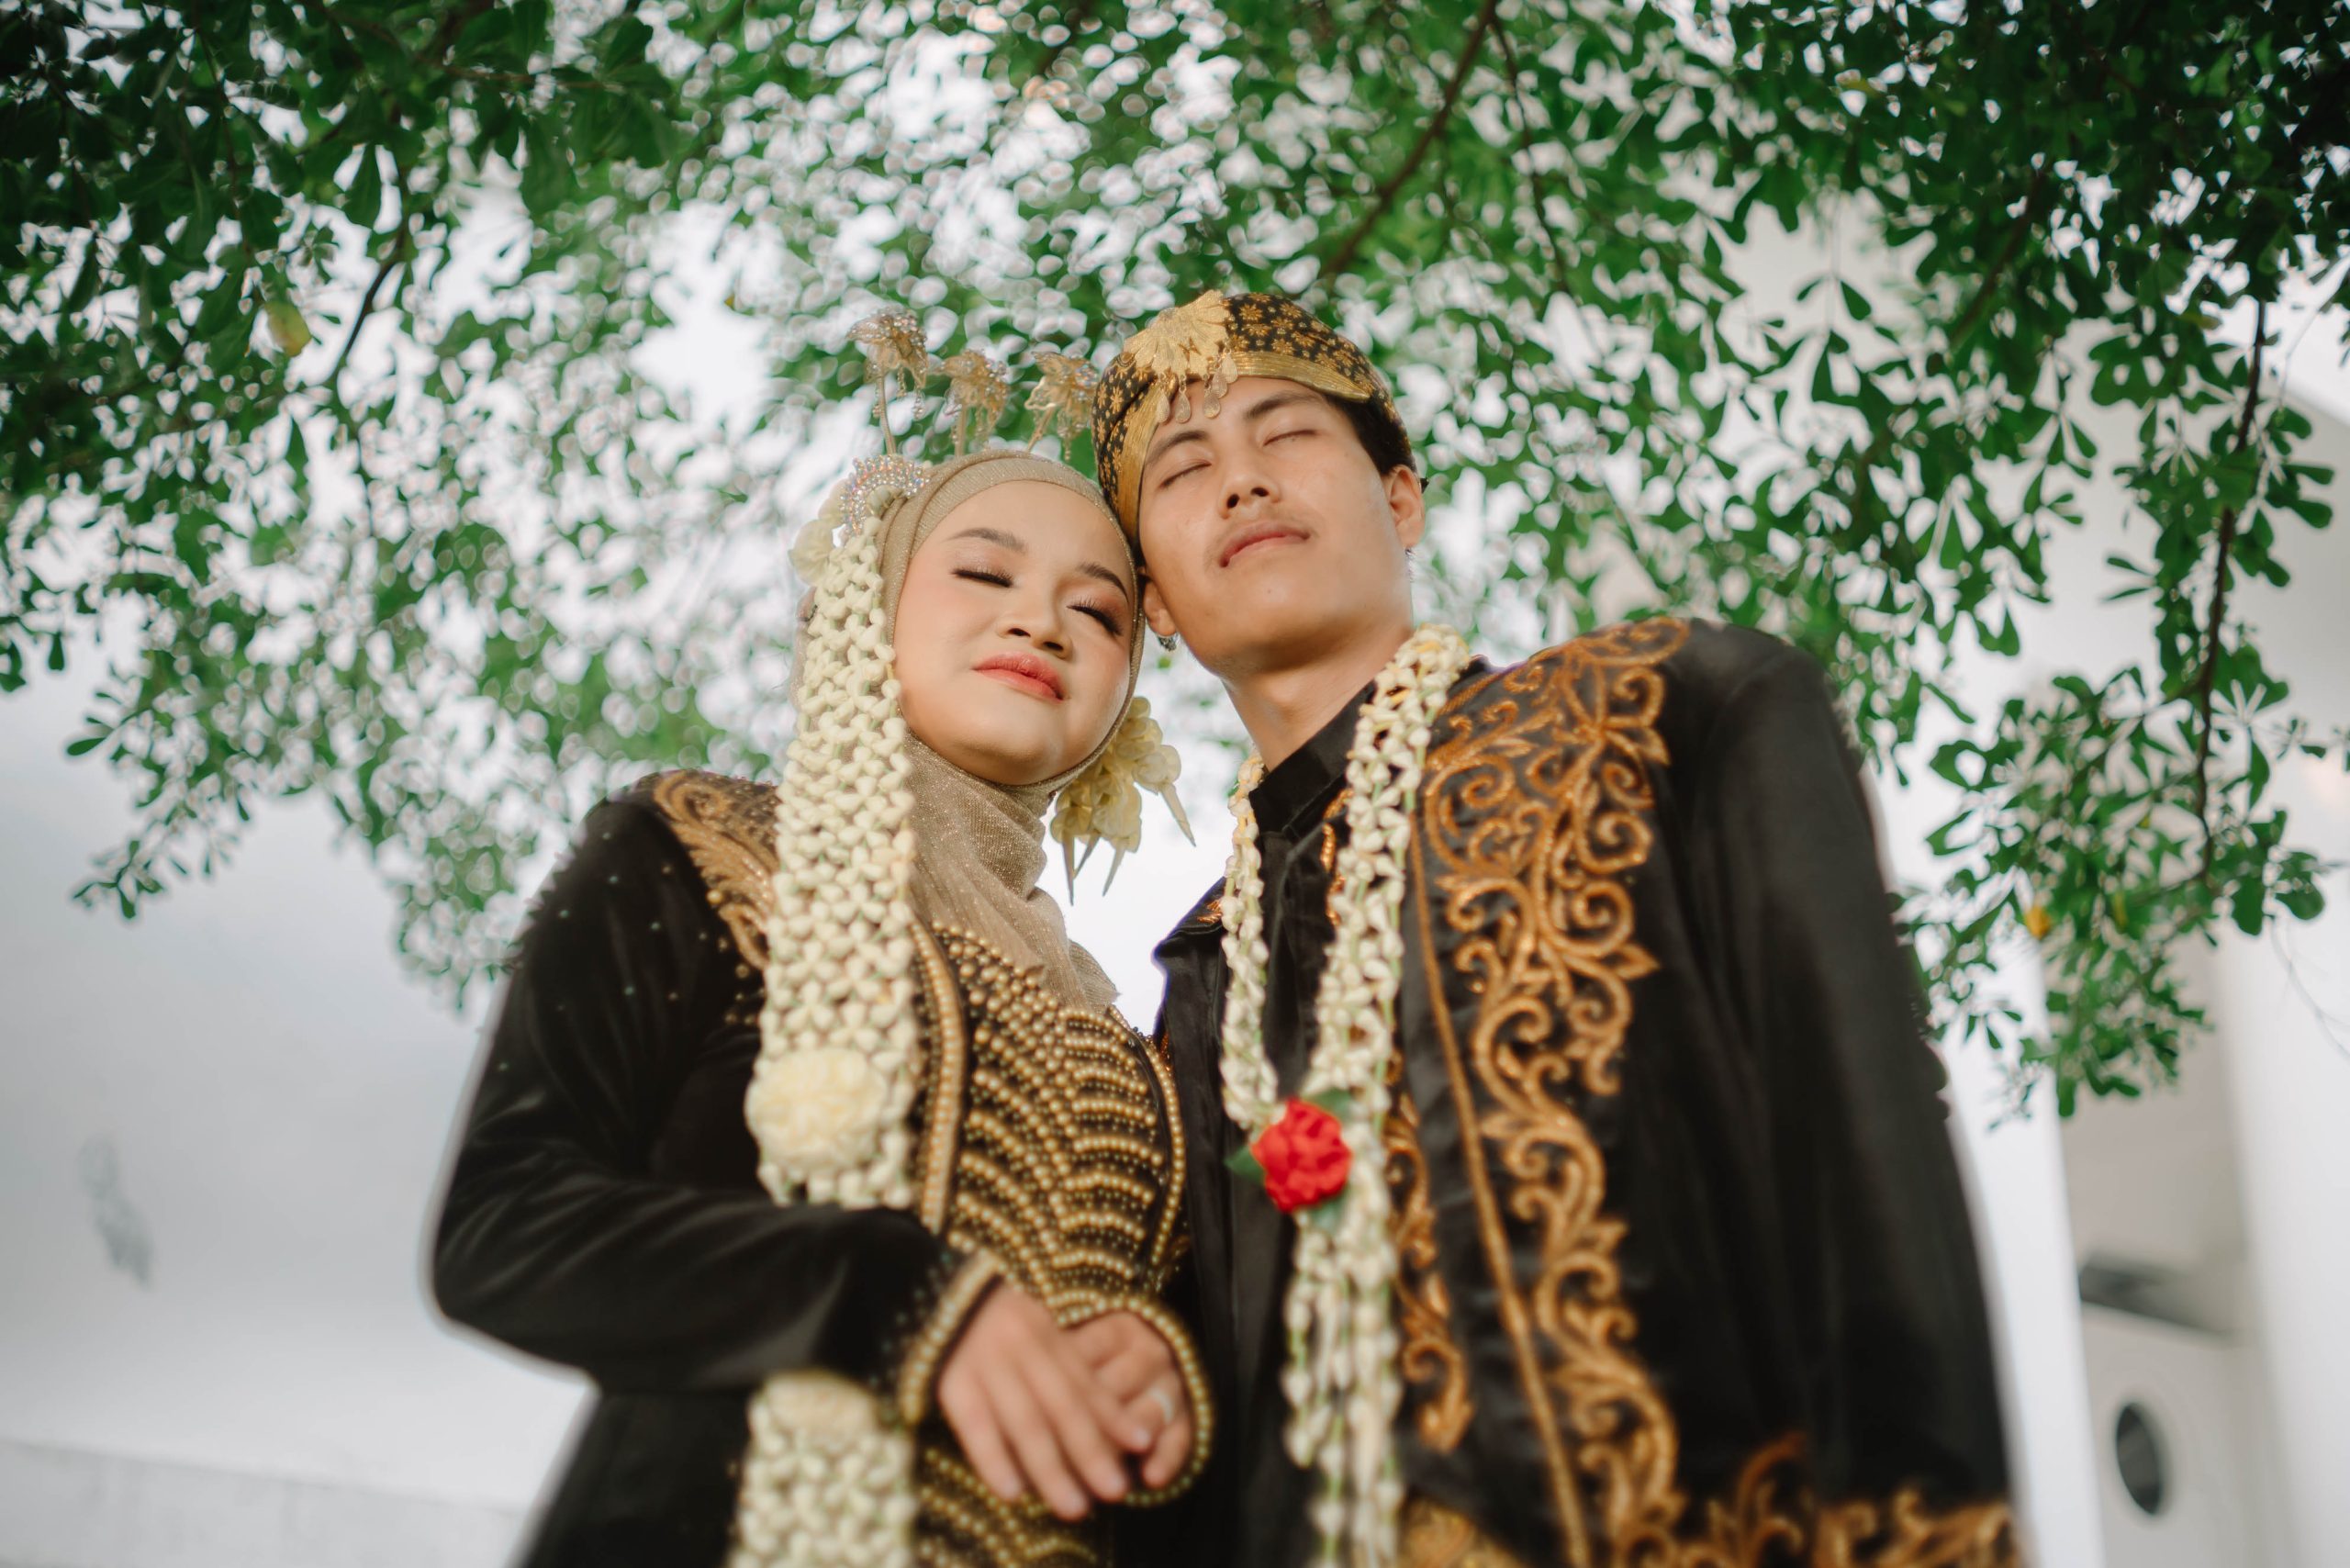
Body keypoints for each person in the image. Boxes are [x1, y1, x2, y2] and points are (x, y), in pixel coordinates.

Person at [1091, 290, 2021, 1567]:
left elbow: (1863, 1169)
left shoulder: (1663, 715)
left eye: (1286, 431)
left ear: (1401, 500)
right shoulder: (1201, 982)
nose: (1242, 480)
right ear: (1156, 602)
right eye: (1184, 469)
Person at [431, 344, 1208, 1568]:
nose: (1040, 621)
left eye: (1100, 612)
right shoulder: (700, 851)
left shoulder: (1136, 1046)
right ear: (875, 599)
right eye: (983, 571)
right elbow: (505, 1230)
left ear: (1125, 698)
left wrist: (1170, 1367)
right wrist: (885, 1291)